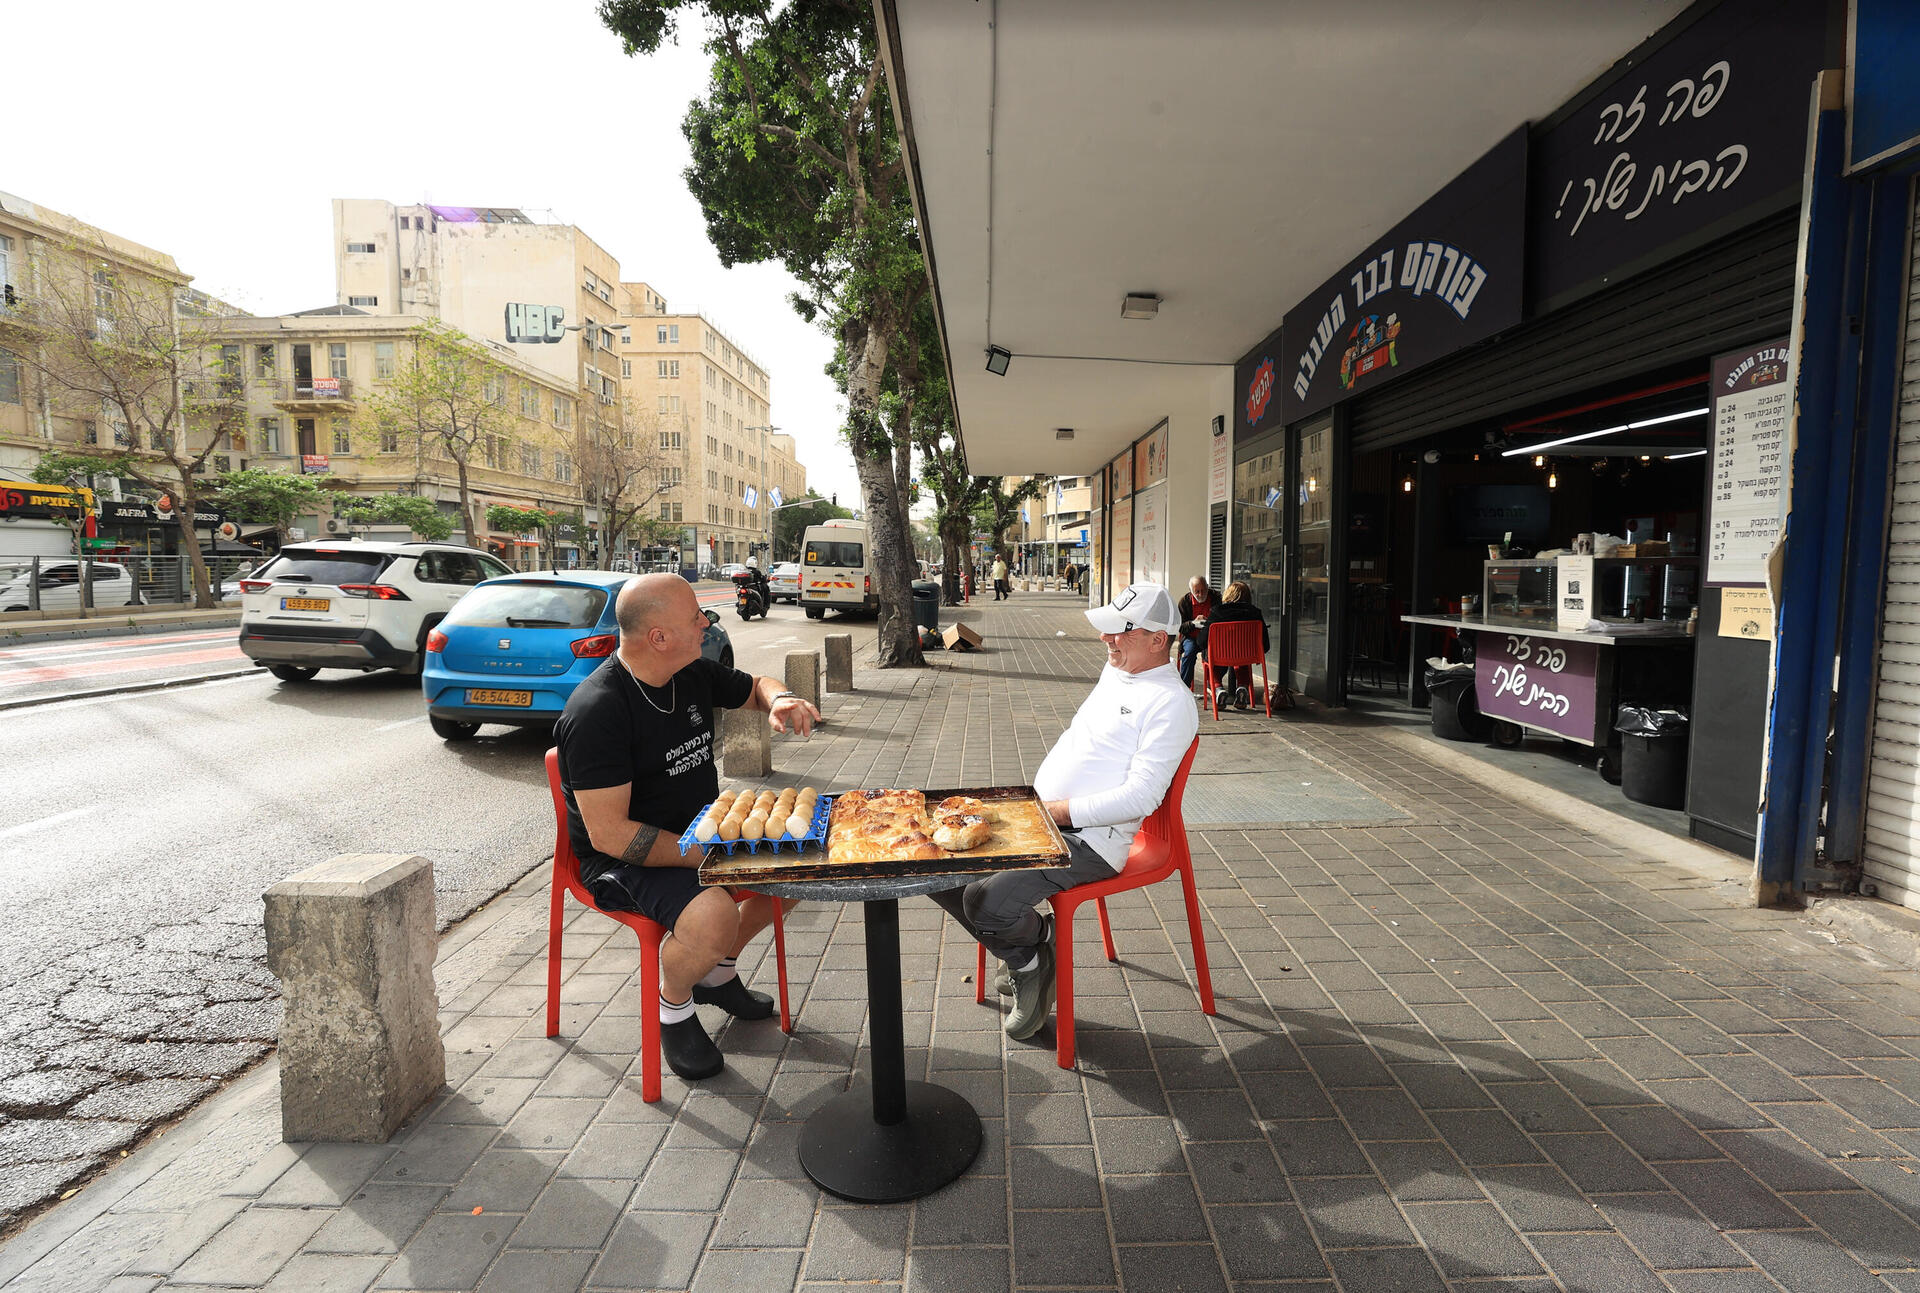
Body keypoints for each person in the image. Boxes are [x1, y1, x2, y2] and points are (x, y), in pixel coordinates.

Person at [555, 573, 822, 1081]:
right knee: (712, 915)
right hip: (623, 859)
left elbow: (758, 686)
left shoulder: (691, 672)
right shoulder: (598, 712)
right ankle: (673, 1008)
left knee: (798, 868)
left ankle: (717, 974)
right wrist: (706, 855)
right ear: (658, 637)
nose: (707, 622)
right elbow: (610, 836)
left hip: (700, 833)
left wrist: (782, 697)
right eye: (695, 617)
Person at [929, 582, 1200, 1040]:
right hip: (1046, 818)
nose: (1106, 639)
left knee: (983, 900)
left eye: (1121, 630)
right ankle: (1028, 943)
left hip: (1090, 839)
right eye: (1109, 629)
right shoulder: (1120, 670)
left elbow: (1141, 798)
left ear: (1159, 640)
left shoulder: (1172, 704)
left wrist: (1058, 811)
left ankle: (1031, 960)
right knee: (932, 863)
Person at [1198, 580, 1270, 710]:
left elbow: (1202, 641)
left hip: (1220, 657)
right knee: (1242, 657)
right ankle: (1242, 686)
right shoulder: (1255, 613)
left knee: (1207, 654)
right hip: (1246, 656)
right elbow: (1265, 644)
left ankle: (1218, 688)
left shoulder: (1217, 612)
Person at [1175, 575, 1216, 689]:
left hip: (1210, 637)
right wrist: (1193, 623)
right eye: (1197, 591)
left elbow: (1220, 618)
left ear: (1208, 587)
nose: (1200, 594)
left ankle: (1214, 685)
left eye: (1203, 590)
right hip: (1191, 637)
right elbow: (1180, 627)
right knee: (1189, 653)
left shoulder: (1215, 598)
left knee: (1219, 654)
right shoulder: (1184, 602)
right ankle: (1184, 688)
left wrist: (1209, 621)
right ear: (1191, 591)